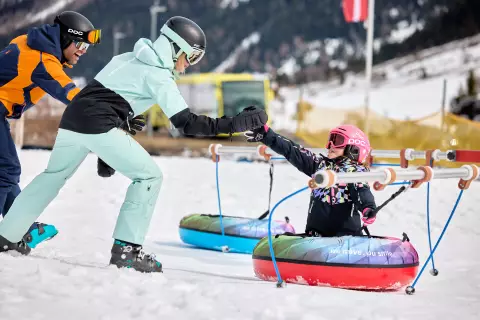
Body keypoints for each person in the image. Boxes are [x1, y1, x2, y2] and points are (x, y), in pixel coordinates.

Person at [0, 16, 268, 273]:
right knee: (149, 177)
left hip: (73, 120)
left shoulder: (127, 58)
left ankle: (7, 236)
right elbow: (187, 123)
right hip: (97, 124)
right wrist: (235, 124)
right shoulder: (159, 75)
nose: (189, 66)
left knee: (53, 176)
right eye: (192, 57)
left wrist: (114, 132)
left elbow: (98, 98)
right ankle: (127, 251)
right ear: (176, 49)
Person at [0, 11, 101, 249]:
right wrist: (109, 113)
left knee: (6, 171)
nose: (82, 51)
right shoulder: (43, 61)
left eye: (86, 47)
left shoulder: (28, 42)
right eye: (79, 43)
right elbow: (71, 94)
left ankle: (19, 227)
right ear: (65, 38)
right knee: (7, 169)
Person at [245, 124, 376, 237]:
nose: (330, 145)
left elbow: (362, 191)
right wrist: (267, 135)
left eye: (338, 141)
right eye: (331, 139)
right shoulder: (320, 165)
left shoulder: (354, 173)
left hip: (345, 239)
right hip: (315, 236)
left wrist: (368, 208)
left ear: (354, 149)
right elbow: (293, 150)